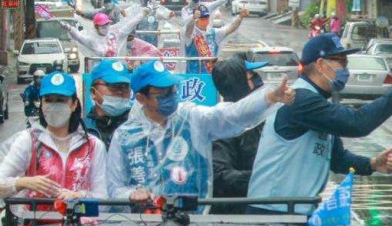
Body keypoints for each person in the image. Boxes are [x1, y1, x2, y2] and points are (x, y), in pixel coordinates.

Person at [247, 34, 392, 213]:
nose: (345, 69)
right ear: (320, 65)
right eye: (341, 62)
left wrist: (372, 164)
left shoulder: (317, 103)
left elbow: (337, 159)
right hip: (272, 213)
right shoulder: (300, 99)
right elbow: (357, 123)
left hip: (292, 212)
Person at [107, 60, 295, 203]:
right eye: (161, 94)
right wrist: (132, 194)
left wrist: (269, 97)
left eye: (172, 89)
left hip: (192, 222)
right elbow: (114, 187)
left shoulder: (191, 118)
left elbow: (231, 114)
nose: (170, 96)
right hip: (141, 225)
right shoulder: (125, 136)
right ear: (141, 98)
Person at [0, 71, 108, 204]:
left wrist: (79, 196)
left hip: (81, 223)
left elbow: (103, 198)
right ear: (41, 104)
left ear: (74, 104)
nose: (54, 106)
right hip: (35, 222)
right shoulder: (29, 141)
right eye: (48, 100)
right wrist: (22, 182)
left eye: (60, 100)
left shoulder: (92, 146)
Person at [210, 56, 269, 213]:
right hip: (234, 217)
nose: (258, 80)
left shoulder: (258, 117)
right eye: (252, 75)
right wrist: (263, 177)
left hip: (260, 205)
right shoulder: (223, 124)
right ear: (240, 84)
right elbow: (219, 174)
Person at [183, 4, 245, 73]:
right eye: (202, 18)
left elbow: (231, 28)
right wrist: (193, 18)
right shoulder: (191, 34)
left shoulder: (214, 33)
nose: (205, 20)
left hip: (211, 75)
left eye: (206, 17)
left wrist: (240, 17)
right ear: (197, 19)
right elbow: (188, 31)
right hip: (194, 77)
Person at [85, 59, 134, 146]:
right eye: (113, 86)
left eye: (125, 86)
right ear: (93, 92)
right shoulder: (82, 130)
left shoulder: (139, 128)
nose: (120, 92)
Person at [65, 10, 147, 59]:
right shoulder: (91, 40)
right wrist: (70, 28)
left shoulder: (114, 36)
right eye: (103, 25)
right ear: (97, 26)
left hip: (115, 68)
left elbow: (130, 25)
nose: (106, 27)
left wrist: (143, 13)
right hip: (100, 71)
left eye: (107, 24)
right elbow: (78, 36)